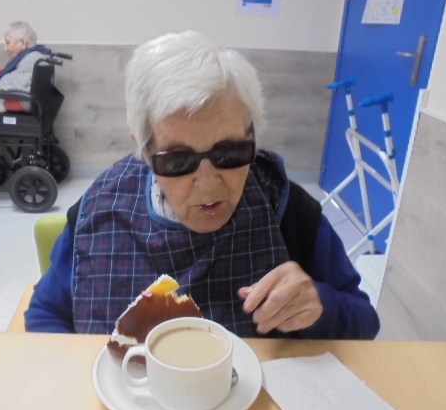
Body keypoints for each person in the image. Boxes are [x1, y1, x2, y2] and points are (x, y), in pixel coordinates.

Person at [25, 30, 380, 340]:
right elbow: (45, 313)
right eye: (177, 161)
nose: (208, 185)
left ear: (252, 136)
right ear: (145, 152)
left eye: (231, 152)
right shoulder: (99, 209)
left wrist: (320, 306)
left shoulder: (288, 211)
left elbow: (365, 323)